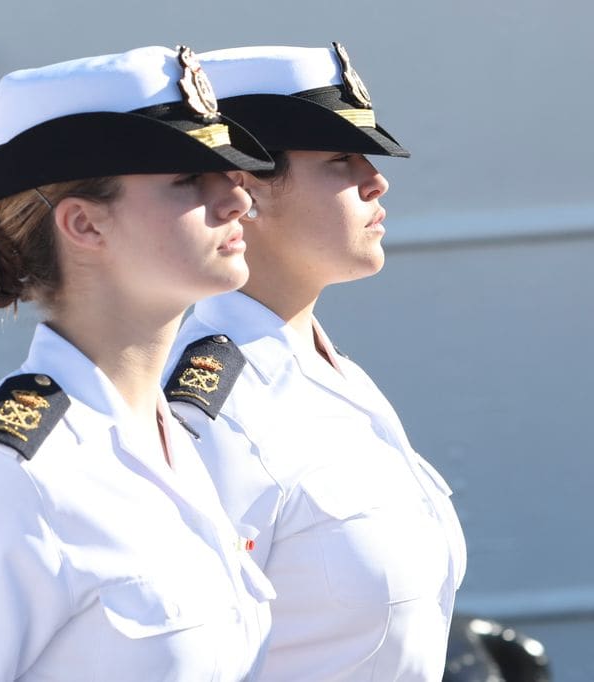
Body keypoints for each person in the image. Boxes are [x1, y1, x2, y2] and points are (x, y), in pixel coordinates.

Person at [0, 45, 278, 681]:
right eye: (188, 179)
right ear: (84, 224)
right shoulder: (8, 480)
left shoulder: (171, 441)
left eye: (229, 172)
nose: (238, 200)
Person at [164, 43, 467, 681]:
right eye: (339, 160)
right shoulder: (214, 413)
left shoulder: (332, 372)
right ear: (246, 190)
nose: (375, 179)